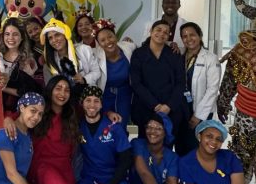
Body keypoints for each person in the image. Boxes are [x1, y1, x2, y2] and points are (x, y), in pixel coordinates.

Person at [72, 86, 139, 184]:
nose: (92, 105)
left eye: (96, 101)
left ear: (102, 104)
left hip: (113, 176)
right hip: (90, 176)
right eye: (88, 100)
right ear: (82, 103)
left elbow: (126, 159)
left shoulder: (114, 127)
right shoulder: (78, 126)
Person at [26, 75, 81, 184]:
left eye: (67, 90)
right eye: (58, 88)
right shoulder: (39, 110)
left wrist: (109, 113)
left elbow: (94, 112)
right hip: (42, 166)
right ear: (50, 90)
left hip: (64, 169)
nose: (62, 93)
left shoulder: (73, 114)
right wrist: (8, 121)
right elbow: (17, 117)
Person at [130, 20, 192, 154]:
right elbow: (136, 83)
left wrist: (168, 106)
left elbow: (180, 83)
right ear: (151, 32)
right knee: (145, 146)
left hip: (170, 110)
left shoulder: (174, 54)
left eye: (165, 32)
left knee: (166, 147)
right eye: (158, 30)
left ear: (169, 36)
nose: (161, 34)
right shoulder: (138, 54)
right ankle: (144, 174)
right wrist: (155, 105)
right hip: (145, 107)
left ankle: (165, 174)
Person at [0, 18, 42, 117]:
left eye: (15, 34)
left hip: (16, 110)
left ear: (22, 37)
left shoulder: (28, 61)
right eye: (7, 34)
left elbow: (26, 91)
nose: (10, 38)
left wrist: (3, 88)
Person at [94, 18, 136, 126]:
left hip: (125, 96)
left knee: (121, 126)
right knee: (105, 128)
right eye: (102, 40)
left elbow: (146, 49)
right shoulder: (95, 55)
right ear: (98, 43)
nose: (108, 41)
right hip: (105, 96)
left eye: (110, 36)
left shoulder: (129, 47)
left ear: (116, 36)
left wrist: (171, 45)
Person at [180, 22, 221, 132]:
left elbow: (212, 89)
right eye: (185, 36)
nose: (189, 39)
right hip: (182, 109)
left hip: (202, 111)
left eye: (192, 35)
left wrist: (198, 115)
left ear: (200, 36)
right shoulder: (180, 56)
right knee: (181, 145)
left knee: (198, 144)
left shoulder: (211, 58)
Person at [40, 18, 100, 93]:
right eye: (50, 38)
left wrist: (84, 79)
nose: (54, 40)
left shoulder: (84, 49)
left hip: (89, 96)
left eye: (57, 35)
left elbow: (96, 72)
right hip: (66, 100)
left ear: (65, 35)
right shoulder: (50, 63)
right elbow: (51, 90)